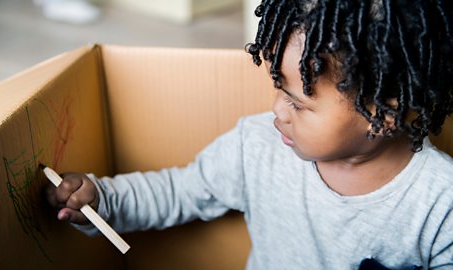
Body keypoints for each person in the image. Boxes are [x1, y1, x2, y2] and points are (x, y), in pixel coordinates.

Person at [46, 0, 453, 269]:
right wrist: (103, 200)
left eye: (298, 103)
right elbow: (181, 190)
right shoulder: (257, 145)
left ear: (382, 114)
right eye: (278, 88)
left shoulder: (439, 202)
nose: (278, 109)